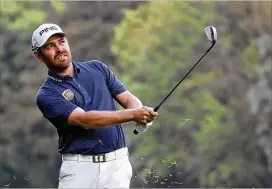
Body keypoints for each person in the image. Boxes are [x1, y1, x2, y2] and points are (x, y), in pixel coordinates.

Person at [32, 23, 158, 188]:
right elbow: (85, 120)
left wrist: (142, 116)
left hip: (117, 166)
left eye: (61, 42)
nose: (59, 49)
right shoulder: (46, 94)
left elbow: (127, 99)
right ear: (39, 56)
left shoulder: (97, 68)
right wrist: (134, 115)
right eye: (50, 46)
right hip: (79, 169)